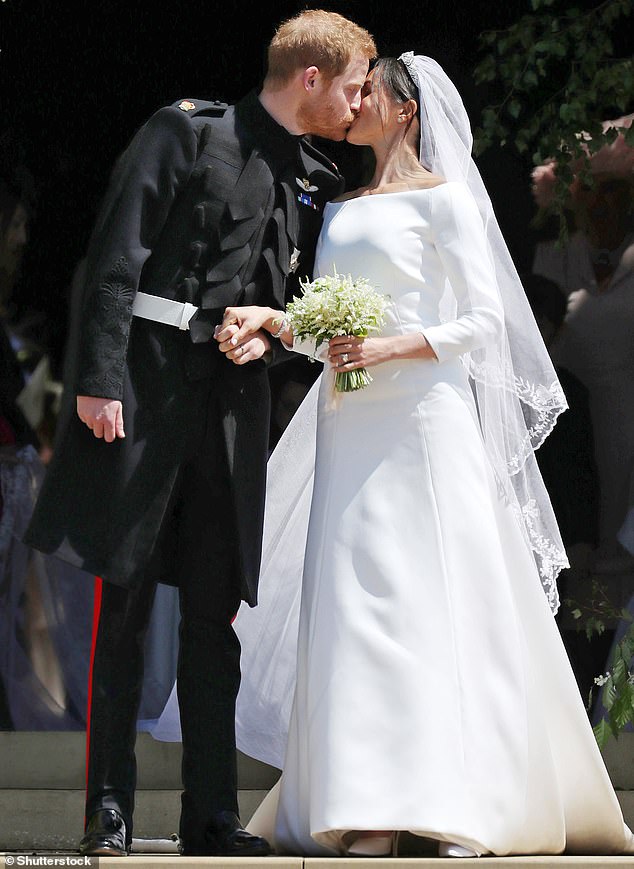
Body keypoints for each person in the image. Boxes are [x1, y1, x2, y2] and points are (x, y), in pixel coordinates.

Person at [154, 54, 634, 857]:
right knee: (357, 604)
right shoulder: (340, 206)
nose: (356, 101)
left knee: (433, 600)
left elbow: (482, 323)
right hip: (350, 421)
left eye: (370, 90)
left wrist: (389, 346)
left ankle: (458, 799)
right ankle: (365, 800)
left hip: (423, 422)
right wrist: (277, 322)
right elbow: (327, 330)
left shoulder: (445, 202)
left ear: (406, 111)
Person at [23, 9, 376, 858]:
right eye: (356, 84)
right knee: (129, 606)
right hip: (145, 397)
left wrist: (267, 330)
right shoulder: (185, 132)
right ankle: (107, 806)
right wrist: (99, 381)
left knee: (217, 619)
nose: (360, 102)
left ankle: (210, 815)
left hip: (231, 414)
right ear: (312, 79)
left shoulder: (311, 173)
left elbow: (287, 292)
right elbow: (116, 254)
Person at [532, 117, 634, 575]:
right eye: (589, 189)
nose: (599, 202)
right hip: (566, 415)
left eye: (611, 190)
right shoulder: (552, 257)